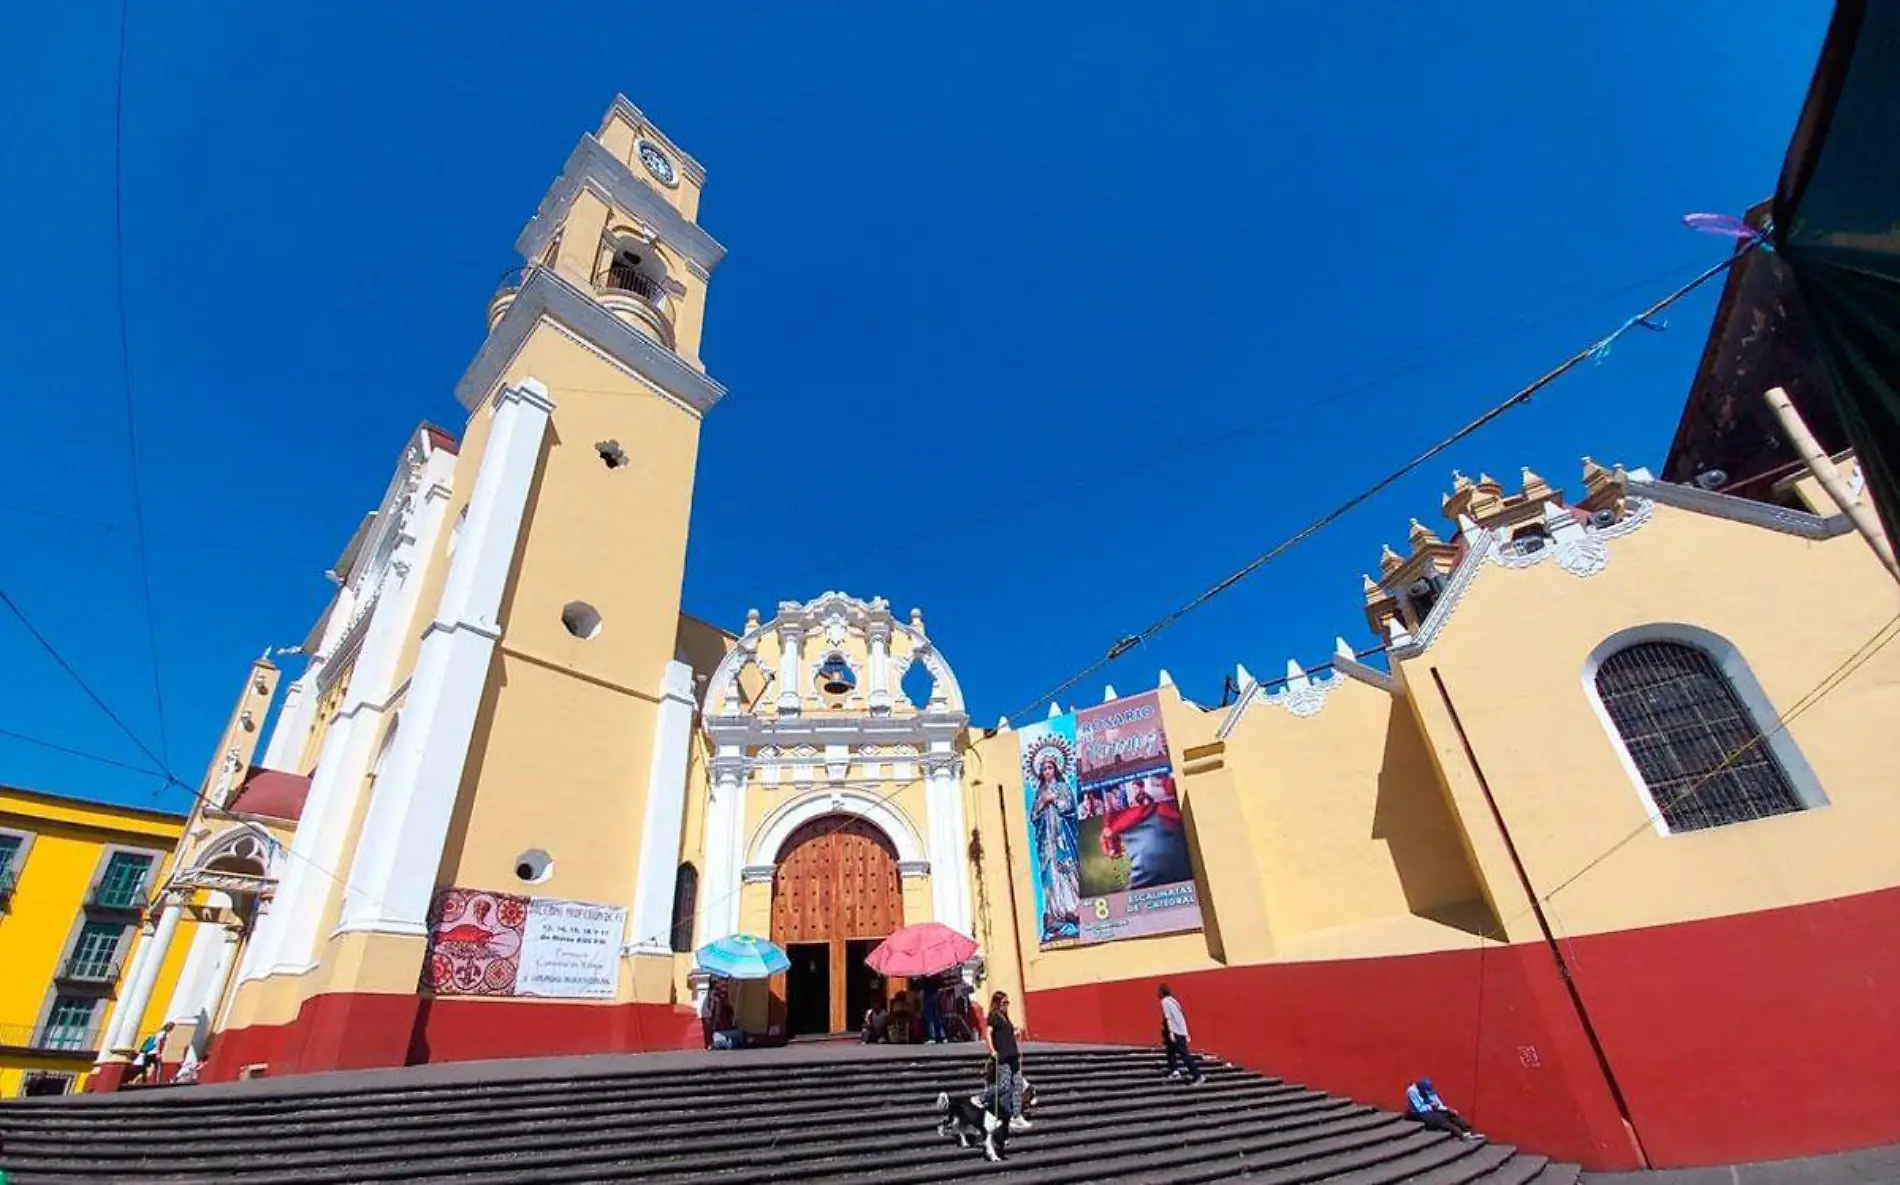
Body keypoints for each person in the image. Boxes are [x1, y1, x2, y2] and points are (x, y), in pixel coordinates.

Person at [1028, 752, 1082, 942]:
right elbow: (1033, 817)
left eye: (1049, 768)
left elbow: (1070, 808)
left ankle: (1072, 908)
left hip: (1062, 838)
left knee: (1067, 871)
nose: (1046, 772)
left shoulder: (1062, 787)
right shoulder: (1039, 793)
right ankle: (1055, 913)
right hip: (1046, 842)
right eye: (1043, 769)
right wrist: (1042, 802)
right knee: (1051, 875)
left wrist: (1054, 800)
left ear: (1056, 769)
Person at [987, 991, 1030, 1134]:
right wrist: (992, 1050)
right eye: (1004, 1003)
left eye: (1007, 1003)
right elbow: (988, 1033)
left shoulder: (1005, 1017)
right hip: (1003, 1056)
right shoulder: (994, 1016)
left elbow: (1007, 1032)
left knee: (1017, 1084)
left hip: (1013, 1054)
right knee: (1004, 1087)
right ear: (997, 1003)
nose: (1006, 1005)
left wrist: (1015, 1031)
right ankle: (986, 1101)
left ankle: (1016, 1115)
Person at [1158, 984, 1206, 1084]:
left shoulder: (1165, 1001)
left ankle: (1198, 1075)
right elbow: (1181, 1017)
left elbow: (1168, 1018)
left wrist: (1171, 1032)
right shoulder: (1174, 1001)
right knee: (1170, 1051)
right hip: (1181, 1031)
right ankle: (1174, 1071)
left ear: (1161, 993)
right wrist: (1186, 1033)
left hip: (1175, 1032)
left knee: (1184, 1054)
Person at [1405, 1077, 1481, 1140]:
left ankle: (1468, 1130)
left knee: (1450, 1114)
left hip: (1431, 1109)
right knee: (1440, 1118)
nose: (1427, 1093)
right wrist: (1433, 1106)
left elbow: (1437, 1102)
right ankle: (1460, 1134)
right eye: (1425, 1092)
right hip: (1419, 1113)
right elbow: (1420, 1108)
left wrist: (1447, 1109)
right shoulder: (1412, 1091)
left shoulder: (1428, 1090)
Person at [127, 1021, 173, 1086]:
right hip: (155, 1053)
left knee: (145, 1068)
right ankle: (158, 1081)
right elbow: (161, 1043)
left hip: (148, 1053)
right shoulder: (164, 1034)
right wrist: (159, 1053)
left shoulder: (158, 1033)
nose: (171, 1029)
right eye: (171, 1027)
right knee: (159, 1067)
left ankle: (135, 1080)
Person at [921, 975, 946, 1044]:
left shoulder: (926, 972)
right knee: (936, 1015)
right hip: (936, 992)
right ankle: (941, 1035)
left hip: (929, 992)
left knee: (929, 1016)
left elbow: (923, 983)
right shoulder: (936, 970)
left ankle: (932, 1036)